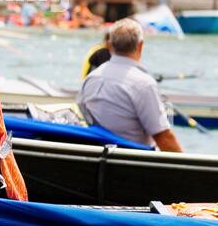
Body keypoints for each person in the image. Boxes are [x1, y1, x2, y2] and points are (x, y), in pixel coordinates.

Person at [77, 18, 181, 152]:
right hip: (132, 162)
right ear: (140, 46)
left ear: (109, 46)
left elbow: (81, 119)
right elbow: (164, 137)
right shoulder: (144, 84)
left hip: (97, 160)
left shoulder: (90, 79)